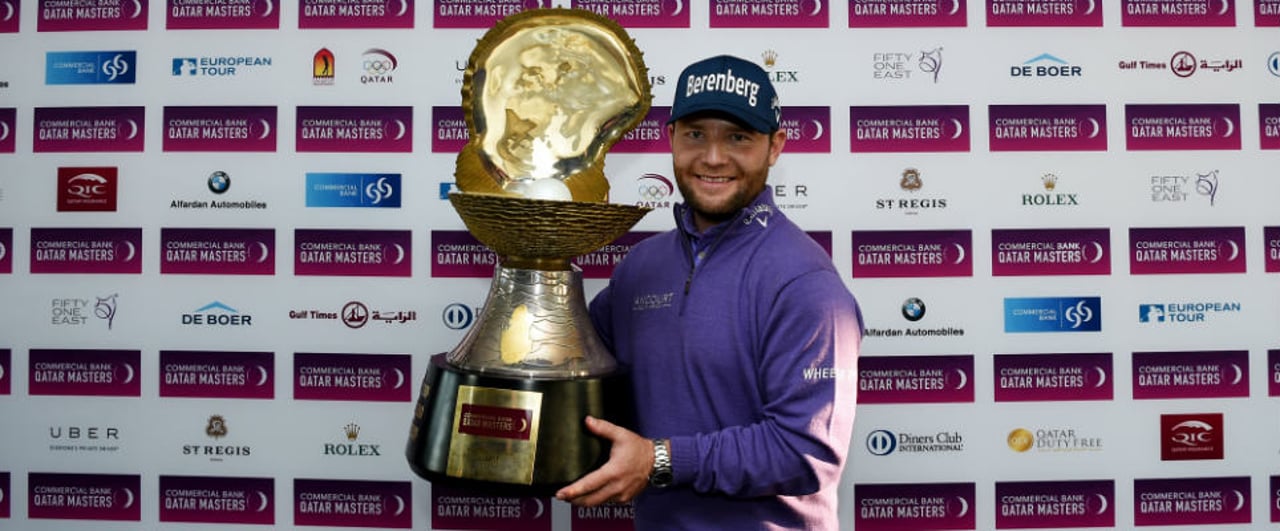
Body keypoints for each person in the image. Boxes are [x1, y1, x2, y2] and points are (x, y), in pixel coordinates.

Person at [555, 54, 863, 530]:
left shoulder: (806, 283)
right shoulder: (641, 267)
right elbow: (570, 368)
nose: (714, 158)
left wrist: (659, 459)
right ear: (671, 136)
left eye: (738, 137)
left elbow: (807, 452)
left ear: (775, 146)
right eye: (696, 134)